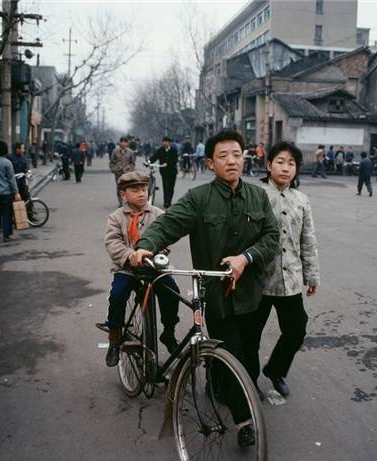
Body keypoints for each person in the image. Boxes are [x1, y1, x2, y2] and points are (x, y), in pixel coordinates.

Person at [130, 130, 279, 448]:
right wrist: (145, 246)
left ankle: (217, 381)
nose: (232, 161)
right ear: (210, 163)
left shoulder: (258, 196)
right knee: (234, 353)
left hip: (253, 294)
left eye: (237, 154)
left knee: (246, 353)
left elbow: (271, 236)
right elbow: (169, 224)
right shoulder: (199, 198)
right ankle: (244, 422)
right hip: (218, 295)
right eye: (223, 155)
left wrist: (245, 257)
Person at [249, 141, 319, 399]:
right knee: (251, 336)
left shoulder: (301, 200)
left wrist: (311, 275)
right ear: (269, 165)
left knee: (297, 329)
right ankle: (248, 381)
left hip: (289, 278)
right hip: (258, 280)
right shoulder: (256, 195)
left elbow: (308, 239)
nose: (286, 168)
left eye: (291, 163)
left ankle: (275, 370)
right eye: (280, 161)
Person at [103, 171, 181, 366]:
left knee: (173, 293)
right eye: (135, 190)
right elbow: (113, 243)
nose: (141, 194)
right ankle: (114, 338)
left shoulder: (157, 214)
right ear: (123, 194)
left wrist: (153, 253)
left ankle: (169, 332)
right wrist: (130, 256)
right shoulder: (116, 217)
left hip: (154, 267)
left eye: (144, 189)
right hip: (127, 268)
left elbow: (166, 237)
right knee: (118, 295)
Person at [0, 141, 21, 242]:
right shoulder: (7, 163)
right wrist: (16, 193)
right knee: (6, 214)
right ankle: (6, 235)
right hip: (6, 193)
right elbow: (11, 179)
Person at [150, 136, 178, 208]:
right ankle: (166, 202)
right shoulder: (160, 150)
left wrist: (167, 163)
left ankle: (169, 201)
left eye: (166, 141)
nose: (164, 143)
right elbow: (154, 157)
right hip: (164, 172)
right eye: (163, 141)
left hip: (172, 171)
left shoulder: (173, 150)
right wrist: (149, 161)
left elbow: (175, 160)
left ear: (169, 142)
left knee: (171, 187)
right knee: (165, 186)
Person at [110, 137, 136, 206]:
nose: (123, 144)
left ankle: (127, 201)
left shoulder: (130, 152)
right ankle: (120, 203)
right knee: (119, 187)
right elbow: (112, 162)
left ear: (127, 143)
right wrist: (113, 169)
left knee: (127, 187)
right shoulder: (115, 151)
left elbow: (133, 162)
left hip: (127, 172)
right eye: (122, 142)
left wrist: (131, 169)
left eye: (125, 142)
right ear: (120, 143)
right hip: (118, 172)